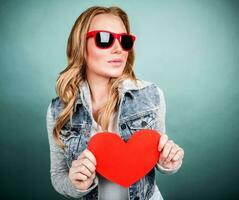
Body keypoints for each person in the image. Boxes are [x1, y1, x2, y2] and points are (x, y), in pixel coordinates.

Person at [46, 6, 184, 200]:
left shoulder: (152, 96)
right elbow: (58, 176)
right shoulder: (58, 110)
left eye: (124, 40)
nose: (119, 49)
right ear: (81, 47)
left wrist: (168, 163)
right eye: (105, 39)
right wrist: (75, 184)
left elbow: (158, 158)